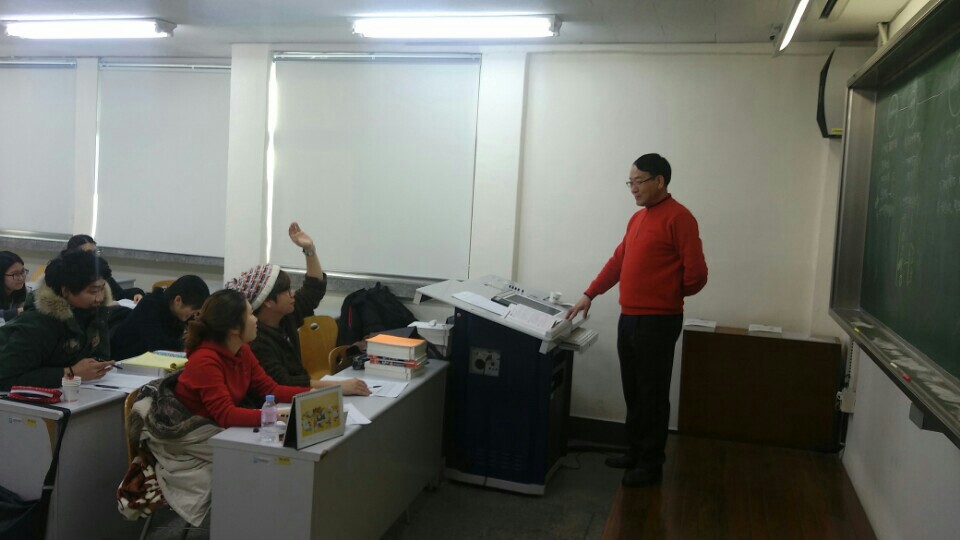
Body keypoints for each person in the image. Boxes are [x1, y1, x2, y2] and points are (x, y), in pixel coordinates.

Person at [566, 153, 708, 487]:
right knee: (633, 390)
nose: (633, 188)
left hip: (658, 322)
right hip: (629, 318)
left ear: (659, 181)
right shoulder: (637, 219)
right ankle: (633, 451)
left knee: (652, 393)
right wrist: (590, 293)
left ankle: (650, 463)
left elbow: (697, 274)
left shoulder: (680, 218)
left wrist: (668, 294)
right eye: (629, 182)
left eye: (638, 181)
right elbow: (618, 261)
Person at [226, 221, 370, 396]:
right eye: (286, 291)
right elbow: (283, 382)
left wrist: (309, 250)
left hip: (301, 392)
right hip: (278, 402)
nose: (293, 294)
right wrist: (338, 386)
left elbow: (313, 289)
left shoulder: (285, 315)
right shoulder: (256, 340)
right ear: (268, 302)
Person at [173, 288, 314, 428]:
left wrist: (311, 394)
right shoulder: (204, 361)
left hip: (220, 429)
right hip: (197, 433)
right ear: (234, 328)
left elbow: (271, 389)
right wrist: (280, 415)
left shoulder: (242, 350)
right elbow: (226, 415)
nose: (256, 319)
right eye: (251, 314)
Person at [0, 249, 116, 390]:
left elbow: (100, 356)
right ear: (65, 291)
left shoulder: (95, 312)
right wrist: (70, 373)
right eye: (93, 291)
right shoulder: (38, 323)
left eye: (102, 289)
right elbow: (5, 378)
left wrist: (96, 366)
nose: (100, 297)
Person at [110, 275, 210, 360]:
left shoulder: (178, 314)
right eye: (193, 310)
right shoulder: (150, 304)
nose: (193, 315)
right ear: (178, 300)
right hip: (123, 361)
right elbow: (157, 345)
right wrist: (190, 343)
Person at [65, 234, 145, 303]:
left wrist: (136, 293)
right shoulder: (69, 279)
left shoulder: (101, 274)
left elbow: (119, 294)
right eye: (89, 253)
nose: (94, 257)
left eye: (95, 252)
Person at [1, 251, 28, 323]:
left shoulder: (24, 291)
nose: (21, 278)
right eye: (15, 274)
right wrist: (15, 312)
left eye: (22, 272)